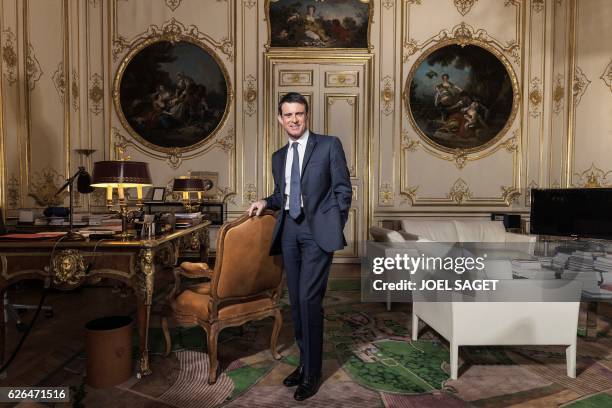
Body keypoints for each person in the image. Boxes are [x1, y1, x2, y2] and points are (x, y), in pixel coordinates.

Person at [247, 92, 352, 401]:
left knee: (309, 300)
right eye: (288, 115)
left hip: (317, 231)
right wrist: (265, 200)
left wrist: (334, 220)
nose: (294, 119)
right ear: (280, 119)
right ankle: (305, 364)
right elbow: (283, 194)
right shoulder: (278, 157)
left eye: (299, 114)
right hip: (289, 231)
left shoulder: (329, 145)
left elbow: (343, 188)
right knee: (295, 302)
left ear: (307, 116)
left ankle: (313, 373)